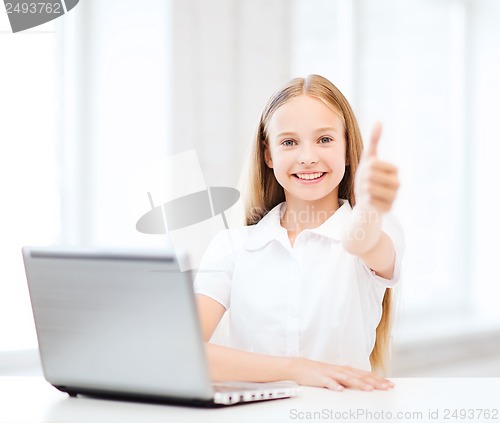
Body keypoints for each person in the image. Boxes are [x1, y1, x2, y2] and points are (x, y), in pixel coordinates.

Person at [194, 74, 404, 391]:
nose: (307, 157)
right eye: (289, 142)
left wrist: (370, 209)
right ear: (268, 155)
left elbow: (362, 240)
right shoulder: (231, 246)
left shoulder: (377, 228)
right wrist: (296, 369)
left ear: (348, 149)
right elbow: (186, 352)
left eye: (324, 140)